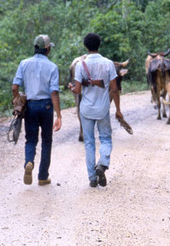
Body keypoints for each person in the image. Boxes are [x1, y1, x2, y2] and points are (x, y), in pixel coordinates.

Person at [68, 33, 123, 188]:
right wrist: (118, 109)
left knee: (89, 143)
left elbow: (77, 90)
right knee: (105, 139)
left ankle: (92, 177)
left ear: (86, 46)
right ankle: (102, 164)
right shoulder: (108, 64)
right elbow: (114, 89)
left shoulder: (80, 65)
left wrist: (72, 88)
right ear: (99, 45)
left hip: (86, 110)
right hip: (103, 109)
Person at [12, 34, 62, 186]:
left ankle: (29, 162)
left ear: (35, 48)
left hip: (31, 106)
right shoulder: (52, 67)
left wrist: (18, 100)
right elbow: (54, 92)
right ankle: (42, 176)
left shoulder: (24, 63)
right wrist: (58, 115)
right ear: (47, 49)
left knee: (31, 139)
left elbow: (15, 87)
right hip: (46, 106)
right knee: (47, 141)